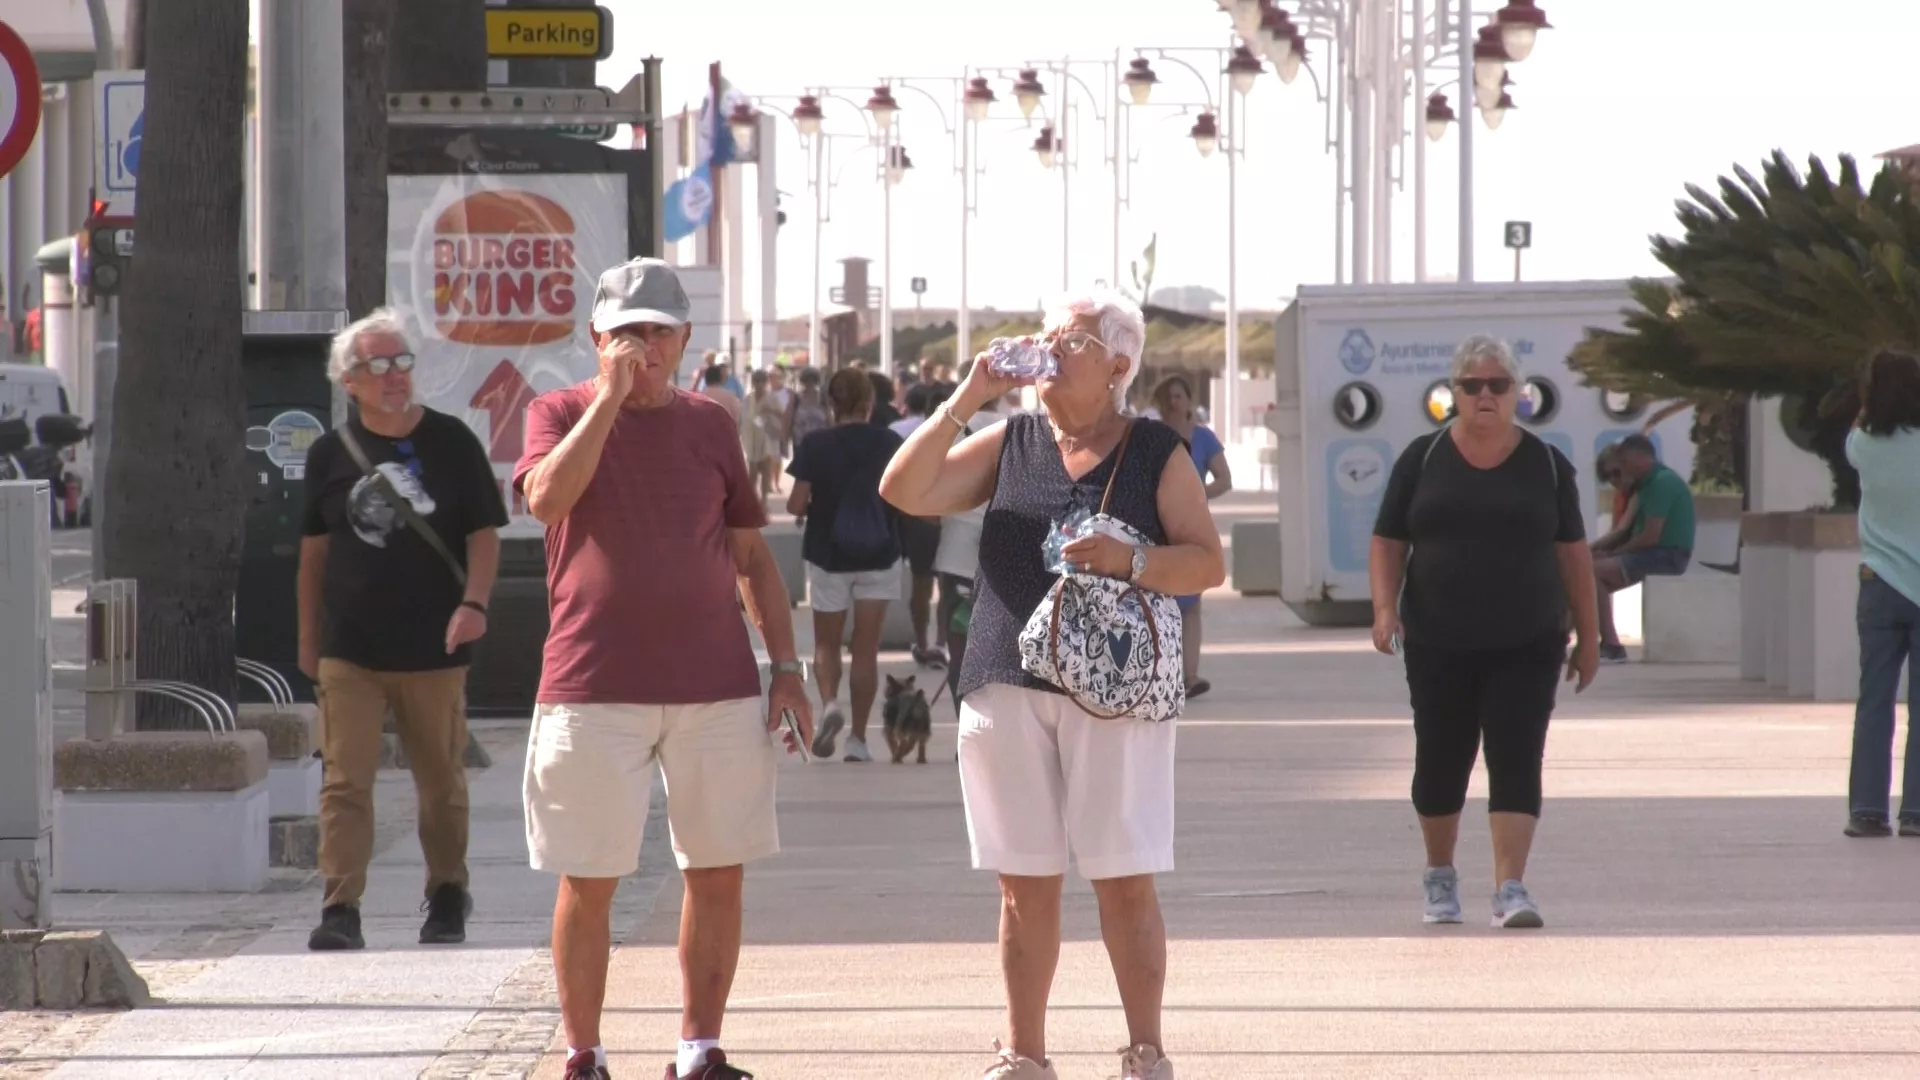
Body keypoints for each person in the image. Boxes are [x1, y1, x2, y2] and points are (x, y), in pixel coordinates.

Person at [879, 288, 1225, 1080]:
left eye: (1070, 342)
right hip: (1004, 677)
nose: (1047, 350)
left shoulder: (1154, 451)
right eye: (1047, 335)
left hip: (1115, 691)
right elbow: (904, 489)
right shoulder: (1012, 440)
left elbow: (1207, 561)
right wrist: (969, 395)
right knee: (1022, 884)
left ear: (1118, 366)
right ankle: (1024, 1055)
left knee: (1124, 879)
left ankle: (1146, 1052)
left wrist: (1131, 560)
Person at [513, 258, 812, 1080]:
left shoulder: (711, 424)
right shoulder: (558, 411)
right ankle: (583, 1054)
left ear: (684, 340)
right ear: (596, 337)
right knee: (590, 878)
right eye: (626, 332)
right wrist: (607, 401)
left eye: (658, 332)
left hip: (714, 685)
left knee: (717, 873)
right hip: (591, 684)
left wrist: (787, 667)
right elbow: (545, 499)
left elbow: (751, 557)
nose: (643, 347)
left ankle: (699, 1049)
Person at [1368, 334, 1600, 931]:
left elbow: (1574, 555)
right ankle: (1440, 876)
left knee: (1517, 756)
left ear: (1518, 392)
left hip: (1528, 640)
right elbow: (1388, 540)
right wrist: (1385, 610)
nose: (1485, 395)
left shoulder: (1547, 465)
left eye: (1498, 384)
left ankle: (1510, 888)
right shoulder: (1422, 458)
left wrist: (1590, 636)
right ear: (1455, 393)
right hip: (1438, 641)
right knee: (1440, 760)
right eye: (1472, 386)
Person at [297, 309, 508, 952]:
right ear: (349, 381)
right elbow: (313, 557)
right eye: (379, 365)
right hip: (350, 649)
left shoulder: (452, 442)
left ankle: (446, 894)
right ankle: (340, 906)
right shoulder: (330, 454)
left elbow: (483, 535)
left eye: (402, 361)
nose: (395, 375)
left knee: (440, 782)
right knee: (344, 781)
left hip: (434, 646)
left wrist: (474, 604)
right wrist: (308, 642)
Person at [788, 369, 903, 764]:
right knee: (866, 649)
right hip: (880, 553)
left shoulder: (815, 444)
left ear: (831, 404)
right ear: (870, 403)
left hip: (828, 554)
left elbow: (795, 503)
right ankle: (858, 740)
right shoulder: (890, 442)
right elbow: (904, 495)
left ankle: (830, 705)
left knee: (827, 643)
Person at [1843, 347, 1920, 839]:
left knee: (1874, 700)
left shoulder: (1861, 444)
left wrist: (1870, 404)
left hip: (1880, 584)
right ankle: (1916, 813)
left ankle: (1867, 811)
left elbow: (1860, 423)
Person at [1150, 375, 1233, 697]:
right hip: (1155, 526)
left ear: (1188, 400)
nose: (1173, 402)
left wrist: (1195, 496)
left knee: (1191, 602)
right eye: (1168, 397)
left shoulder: (1203, 438)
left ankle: (1190, 675)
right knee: (1159, 599)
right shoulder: (1150, 436)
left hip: (1191, 526)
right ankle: (1162, 673)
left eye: (1178, 396)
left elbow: (1224, 479)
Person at [930, 375, 1003, 709]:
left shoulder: (946, 431)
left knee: (959, 650)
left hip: (956, 555)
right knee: (1002, 650)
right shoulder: (1022, 428)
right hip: (1005, 559)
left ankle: (967, 724)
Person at [1591, 433, 1695, 664]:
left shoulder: (1661, 483)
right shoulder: (1647, 486)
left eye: (1624, 464)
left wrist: (1613, 553)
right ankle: (1573, 638)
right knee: (1587, 579)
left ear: (1639, 459)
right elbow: (1627, 533)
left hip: (1667, 555)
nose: (1622, 471)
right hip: (1654, 552)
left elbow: (1650, 536)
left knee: (1591, 572)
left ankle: (1612, 646)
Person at [891, 383, 949, 667]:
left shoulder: (916, 440)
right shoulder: (963, 436)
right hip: (950, 520)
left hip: (921, 522)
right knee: (947, 586)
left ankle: (924, 643)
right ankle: (939, 644)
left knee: (922, 585)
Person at [741, 368, 785, 501]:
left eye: (762, 381)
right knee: (752, 472)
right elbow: (741, 418)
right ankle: (752, 500)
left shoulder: (772, 397)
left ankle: (764, 500)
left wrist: (769, 410)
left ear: (766, 383)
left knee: (766, 471)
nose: (759, 384)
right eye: (756, 381)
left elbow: (781, 414)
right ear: (753, 383)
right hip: (752, 439)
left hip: (767, 439)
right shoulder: (748, 399)